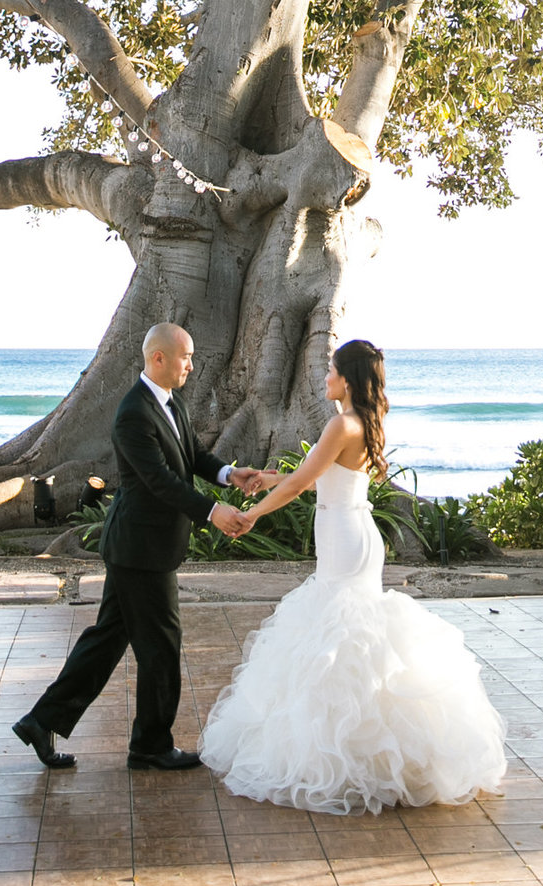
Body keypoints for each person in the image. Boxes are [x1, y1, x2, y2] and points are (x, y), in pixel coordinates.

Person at [199, 338, 507, 814]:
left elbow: (306, 480)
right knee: (356, 628)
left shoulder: (341, 423)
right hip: (356, 532)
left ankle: (346, 753)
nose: (325, 378)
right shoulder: (361, 422)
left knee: (339, 632)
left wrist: (254, 513)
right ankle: (377, 745)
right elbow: (315, 473)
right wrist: (269, 479)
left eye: (330, 370)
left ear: (346, 378)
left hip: (344, 537)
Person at [12, 322, 267, 772]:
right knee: (162, 646)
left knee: (106, 641)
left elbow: (191, 457)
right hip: (139, 548)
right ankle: (150, 745)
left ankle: (41, 721)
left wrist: (230, 474)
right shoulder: (133, 412)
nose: (191, 364)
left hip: (145, 548)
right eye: (185, 356)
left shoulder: (170, 401)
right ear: (159, 358)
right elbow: (159, 481)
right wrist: (213, 512)